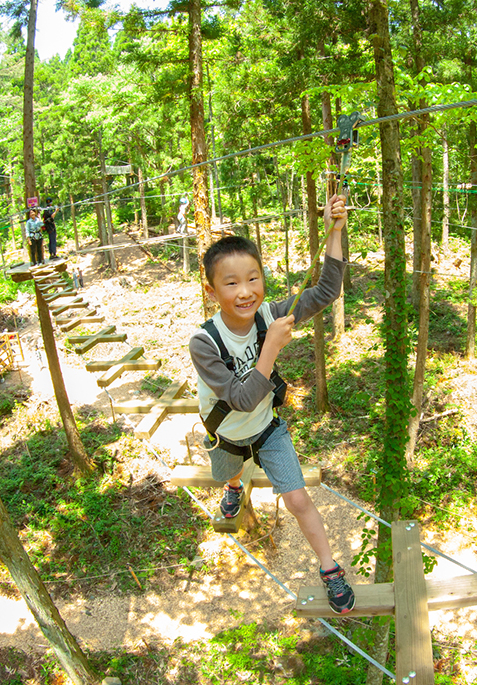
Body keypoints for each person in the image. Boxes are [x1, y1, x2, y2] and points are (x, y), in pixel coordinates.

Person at [189, 194, 355, 615]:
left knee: (298, 500)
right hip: (226, 435)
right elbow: (242, 399)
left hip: (267, 430)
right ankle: (232, 489)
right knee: (229, 474)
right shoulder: (204, 343)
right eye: (231, 283)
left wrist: (335, 231)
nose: (245, 292)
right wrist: (270, 350)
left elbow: (327, 291)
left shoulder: (271, 314)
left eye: (253, 279)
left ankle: (330, 569)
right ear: (212, 291)